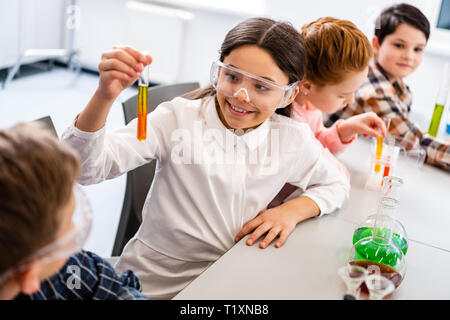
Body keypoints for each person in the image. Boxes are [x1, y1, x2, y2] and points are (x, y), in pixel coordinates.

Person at [61, 17, 350, 299]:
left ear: (289, 95)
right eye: (233, 76)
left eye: (261, 86)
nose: (241, 96)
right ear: (219, 72)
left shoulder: (292, 138)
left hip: (230, 278)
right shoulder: (176, 118)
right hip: (150, 284)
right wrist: (103, 96)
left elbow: (336, 185)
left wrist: (290, 211)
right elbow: (84, 170)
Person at [0, 122, 147, 300]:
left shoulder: (62, 263)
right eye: (70, 222)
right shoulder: (48, 258)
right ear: (29, 276)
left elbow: (115, 289)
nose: (76, 229)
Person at [268, 17, 387, 207]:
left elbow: (316, 144)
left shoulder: (309, 104)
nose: (351, 100)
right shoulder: (286, 121)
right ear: (308, 85)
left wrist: (345, 129)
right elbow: (331, 171)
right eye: (343, 95)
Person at [325, 3, 450, 171]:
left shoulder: (397, 84)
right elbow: (410, 141)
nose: (409, 56)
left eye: (418, 49)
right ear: (376, 45)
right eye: (399, 45)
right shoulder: (374, 90)